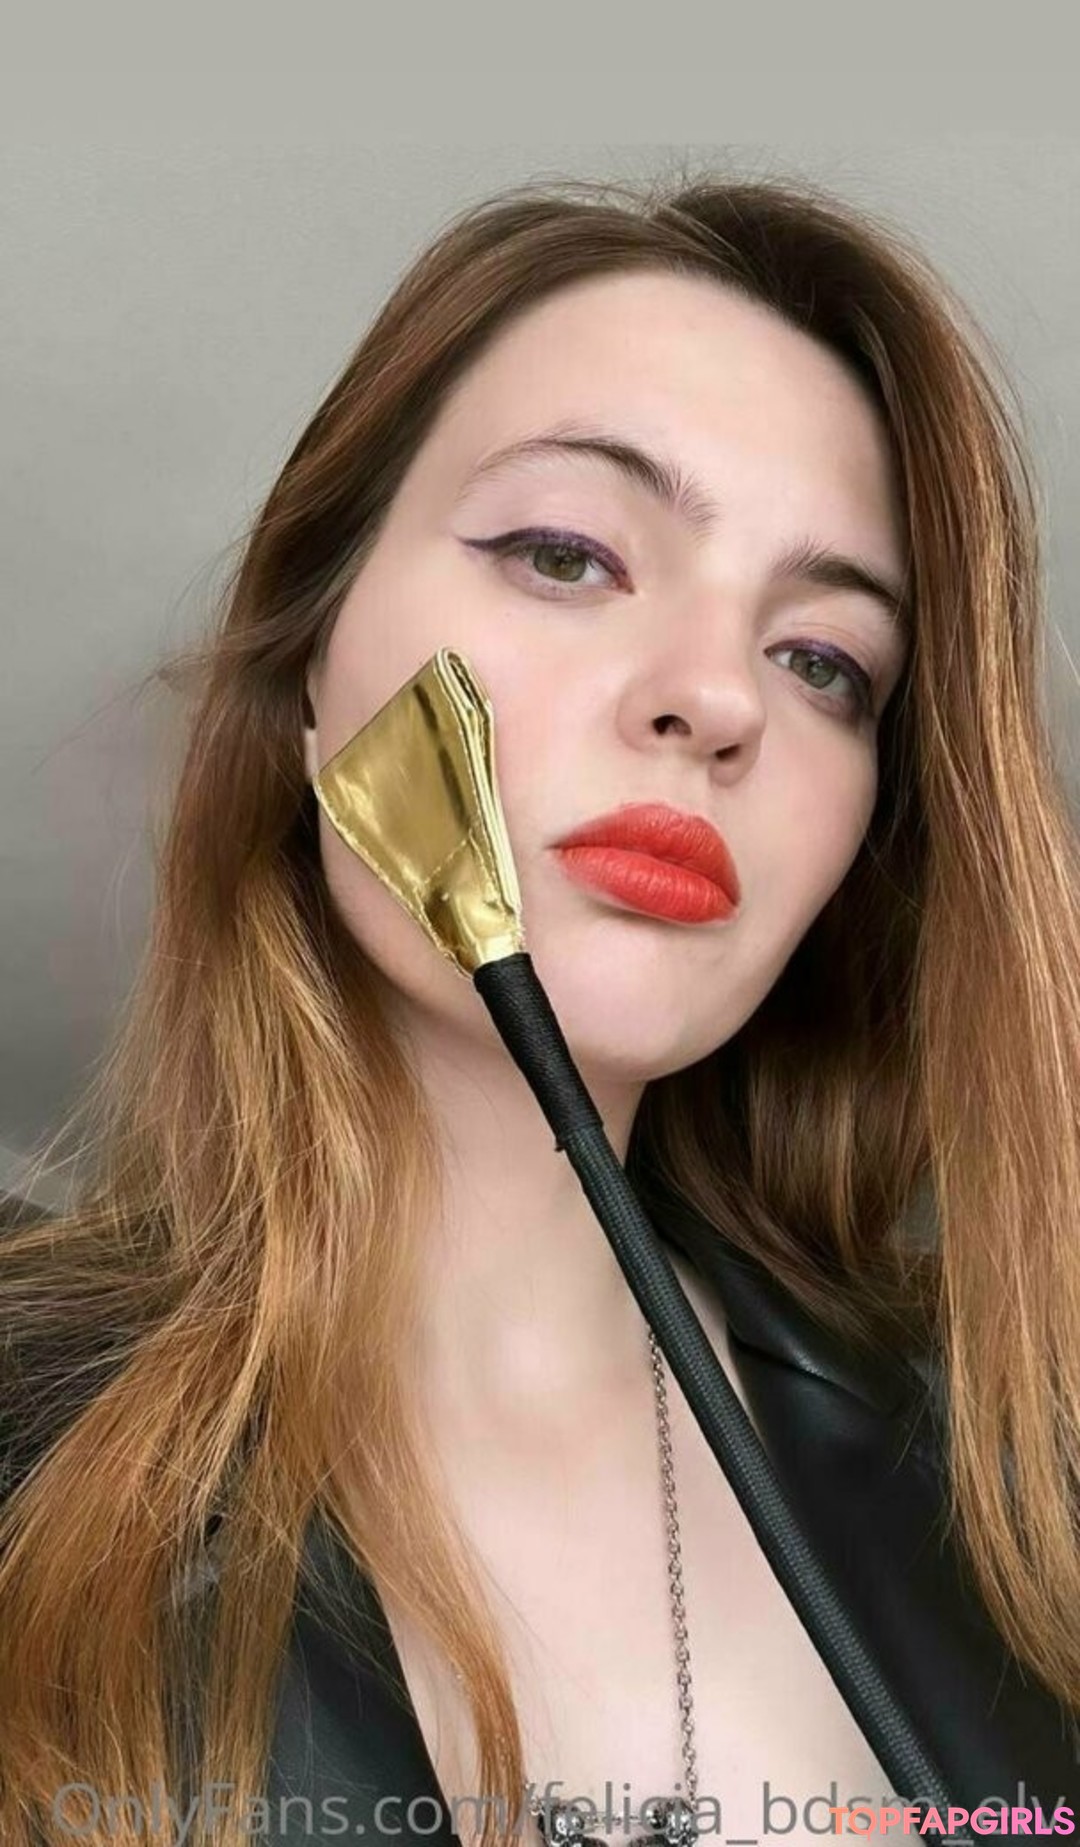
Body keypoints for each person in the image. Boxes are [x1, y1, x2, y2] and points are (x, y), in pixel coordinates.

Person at [1, 169, 1078, 1847]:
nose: (717, 697)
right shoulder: (30, 1464)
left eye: (823, 661)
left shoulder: (1019, 1489)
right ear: (309, 676)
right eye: (566, 554)